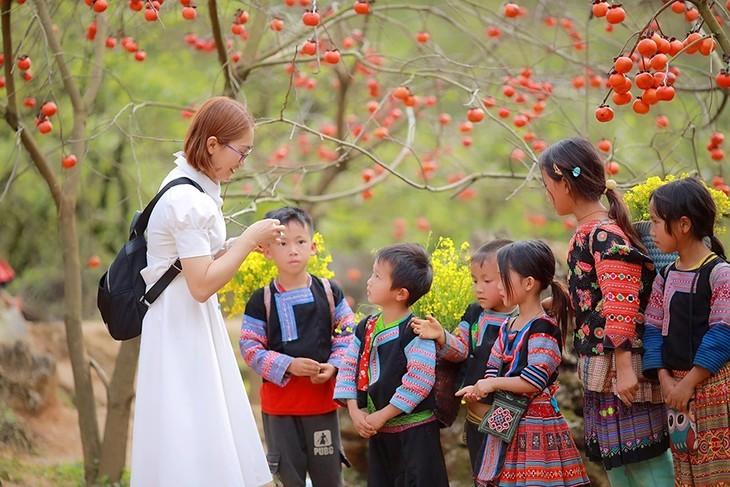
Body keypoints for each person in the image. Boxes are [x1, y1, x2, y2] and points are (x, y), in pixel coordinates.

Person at [131, 96, 284, 487]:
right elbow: (200, 285)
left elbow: (192, 263)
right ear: (213, 144)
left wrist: (235, 244)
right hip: (181, 324)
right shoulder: (187, 200)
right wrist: (247, 239)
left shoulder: (188, 186)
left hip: (183, 321)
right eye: (241, 151)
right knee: (187, 424)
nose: (242, 162)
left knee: (195, 422)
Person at [539, 136, 673, 486]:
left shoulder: (602, 233)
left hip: (621, 371)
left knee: (646, 464)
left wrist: (625, 370)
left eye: (547, 185)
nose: (547, 193)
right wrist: (561, 301)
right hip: (603, 372)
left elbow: (622, 301)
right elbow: (597, 295)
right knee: (620, 466)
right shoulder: (589, 233)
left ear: (565, 183)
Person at [456, 240, 590, 487]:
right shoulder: (509, 325)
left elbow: (533, 381)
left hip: (535, 426)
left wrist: (491, 384)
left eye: (503, 277)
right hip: (506, 421)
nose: (497, 285)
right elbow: (493, 366)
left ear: (528, 283)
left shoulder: (543, 329)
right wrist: (479, 388)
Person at [239, 206, 356, 487]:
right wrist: (288, 365)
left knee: (328, 475)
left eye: (300, 242)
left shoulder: (330, 292)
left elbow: (348, 333)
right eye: (282, 243)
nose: (293, 250)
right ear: (267, 251)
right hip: (280, 408)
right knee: (288, 477)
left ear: (313, 247)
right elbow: (249, 347)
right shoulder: (261, 300)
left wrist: (335, 365)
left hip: (321, 403)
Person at [333, 243, 449, 487]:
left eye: (377, 276)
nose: (369, 280)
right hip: (381, 434)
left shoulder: (416, 332)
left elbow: (419, 382)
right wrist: (355, 411)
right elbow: (348, 367)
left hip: (415, 436)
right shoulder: (366, 327)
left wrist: (382, 416)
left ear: (401, 294)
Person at [641, 177, 730, 486]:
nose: (651, 230)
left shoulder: (720, 274)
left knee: (717, 474)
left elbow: (722, 333)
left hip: (712, 389)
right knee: (686, 473)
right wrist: (666, 379)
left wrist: (689, 383)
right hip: (677, 393)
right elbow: (652, 328)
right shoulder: (665, 276)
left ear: (683, 224)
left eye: (655, 222)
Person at [410, 239, 516, 472]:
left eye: (487, 281)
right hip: (475, 418)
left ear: (513, 278)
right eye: (474, 281)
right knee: (480, 473)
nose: (478, 288)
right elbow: (461, 351)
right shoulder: (474, 314)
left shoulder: (524, 319)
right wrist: (442, 337)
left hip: (512, 420)